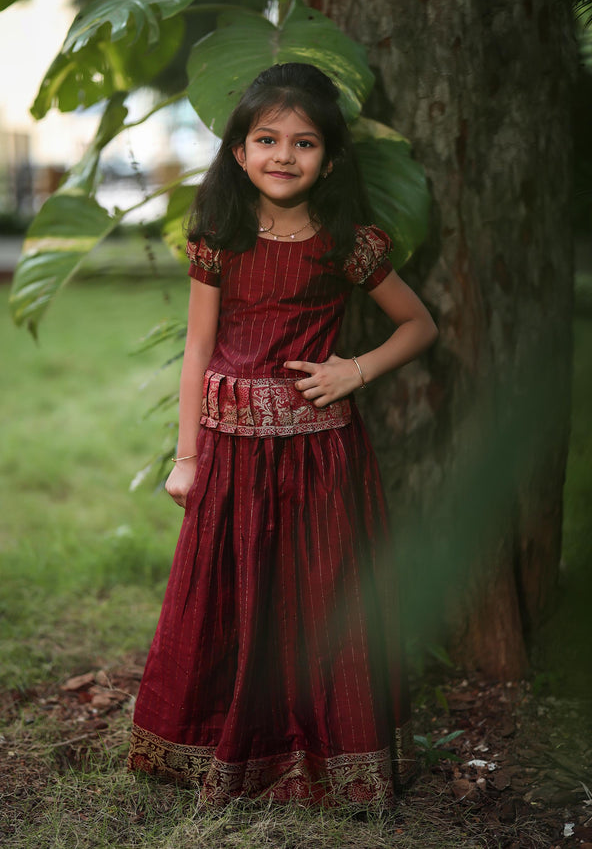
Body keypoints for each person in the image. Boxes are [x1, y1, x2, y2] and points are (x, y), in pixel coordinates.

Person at [127, 62, 438, 805]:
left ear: (328, 160)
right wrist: (186, 457)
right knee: (228, 601)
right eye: (267, 139)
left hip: (320, 454)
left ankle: (326, 754)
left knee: (320, 598)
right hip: (230, 453)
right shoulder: (219, 237)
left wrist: (354, 371)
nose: (283, 155)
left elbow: (420, 324)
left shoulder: (348, 243)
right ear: (239, 152)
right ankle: (223, 748)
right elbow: (199, 349)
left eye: (303, 143)